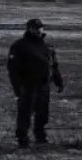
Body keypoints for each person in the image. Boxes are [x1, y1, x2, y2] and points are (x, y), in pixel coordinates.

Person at [7, 19, 64, 148]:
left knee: (42, 113)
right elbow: (13, 69)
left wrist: (58, 81)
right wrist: (17, 87)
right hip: (28, 85)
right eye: (35, 28)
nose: (38, 30)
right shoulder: (19, 46)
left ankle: (40, 135)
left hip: (44, 85)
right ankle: (22, 138)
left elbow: (53, 66)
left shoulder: (48, 47)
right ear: (29, 29)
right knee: (25, 113)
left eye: (40, 27)